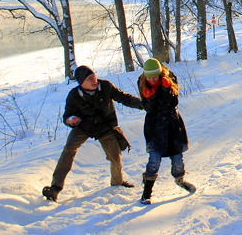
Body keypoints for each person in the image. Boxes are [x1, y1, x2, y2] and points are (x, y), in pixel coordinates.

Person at [42, 66, 144, 202]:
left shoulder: (106, 86)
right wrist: (70, 120)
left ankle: (117, 183)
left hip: (105, 126)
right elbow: (67, 115)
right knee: (68, 150)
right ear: (81, 82)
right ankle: (55, 188)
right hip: (83, 127)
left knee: (115, 156)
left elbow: (124, 98)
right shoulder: (74, 95)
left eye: (94, 76)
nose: (94, 80)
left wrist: (144, 104)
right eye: (90, 78)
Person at [137, 58, 196, 204]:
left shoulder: (168, 81)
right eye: (149, 77)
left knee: (177, 159)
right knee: (154, 160)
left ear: (160, 74)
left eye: (154, 76)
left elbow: (173, 103)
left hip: (172, 126)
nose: (151, 79)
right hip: (154, 128)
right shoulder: (143, 84)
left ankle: (180, 180)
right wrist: (150, 98)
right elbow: (149, 108)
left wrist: (165, 89)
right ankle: (147, 192)